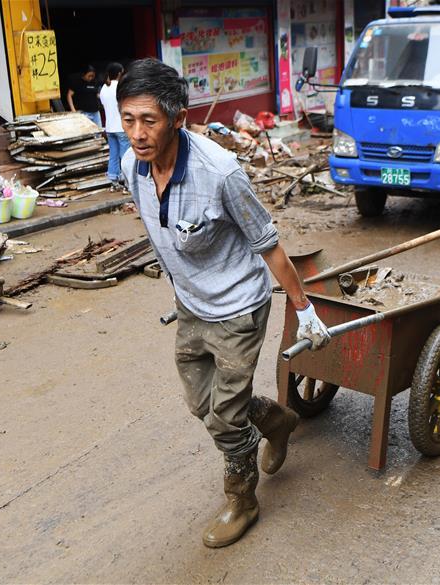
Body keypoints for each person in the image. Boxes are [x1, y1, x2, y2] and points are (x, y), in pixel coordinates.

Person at [117, 58, 331, 548]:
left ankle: (243, 499)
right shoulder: (134, 165)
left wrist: (304, 310)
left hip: (238, 308)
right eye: (128, 120)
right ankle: (279, 421)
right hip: (193, 306)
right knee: (202, 405)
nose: (137, 133)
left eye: (148, 120)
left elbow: (269, 245)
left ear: (177, 117)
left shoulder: (220, 173)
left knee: (225, 417)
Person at [99, 62, 131, 191]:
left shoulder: (104, 88)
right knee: (126, 155)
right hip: (121, 127)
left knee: (113, 154)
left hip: (109, 127)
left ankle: (114, 182)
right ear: (119, 73)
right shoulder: (121, 87)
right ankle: (126, 182)